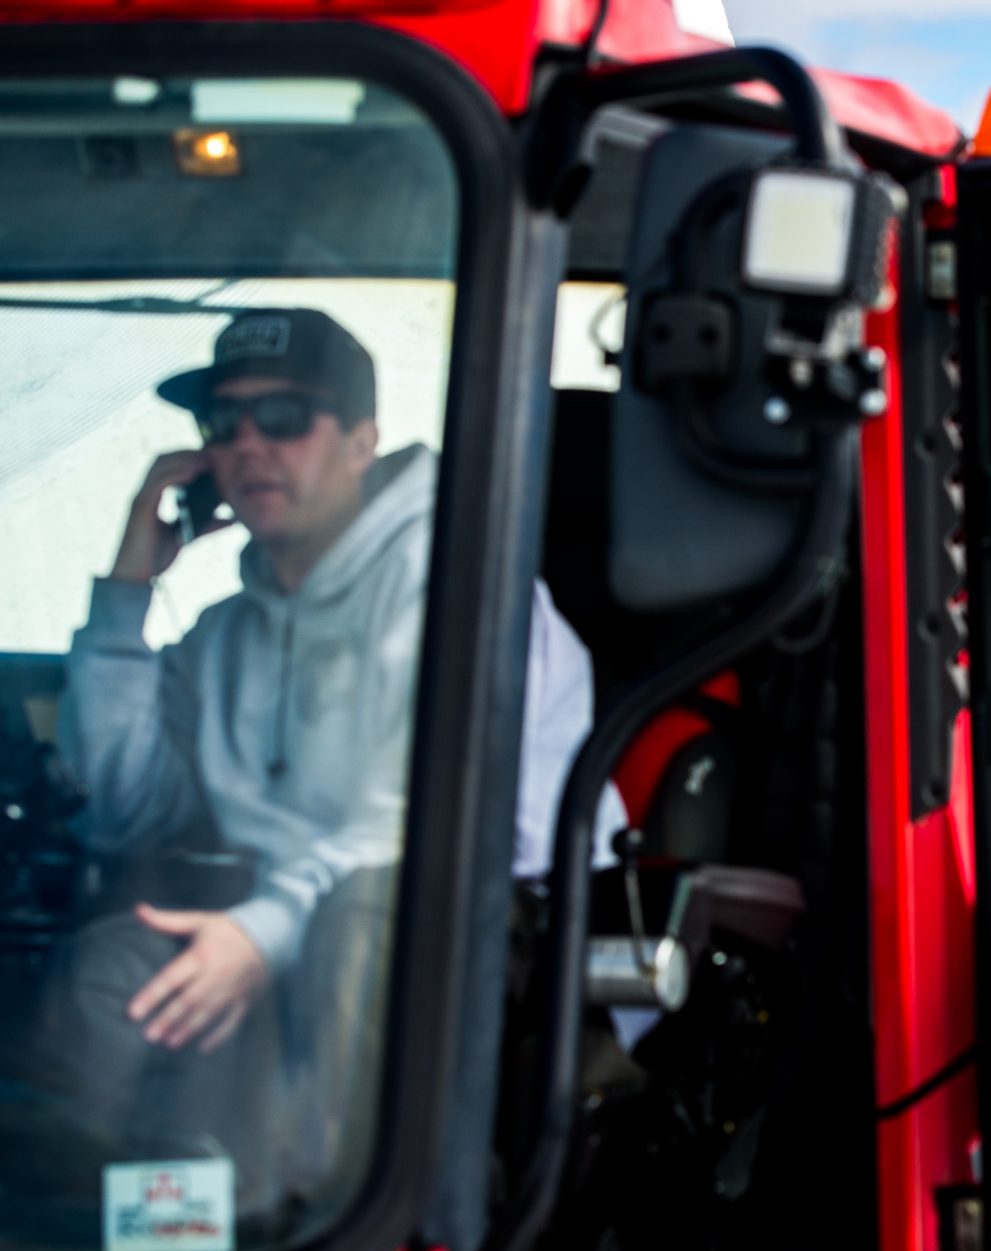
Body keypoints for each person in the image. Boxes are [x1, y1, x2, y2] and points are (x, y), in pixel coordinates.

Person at [39, 308, 617, 1200]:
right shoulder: (226, 634)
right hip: (292, 913)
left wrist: (260, 933)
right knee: (115, 958)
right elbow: (126, 808)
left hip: (483, 920)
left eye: (283, 418)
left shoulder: (457, 581)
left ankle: (309, 1250)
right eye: (223, 424)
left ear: (360, 440)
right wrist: (125, 593)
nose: (248, 445)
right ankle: (88, 1233)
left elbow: (432, 819)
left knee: (359, 933)